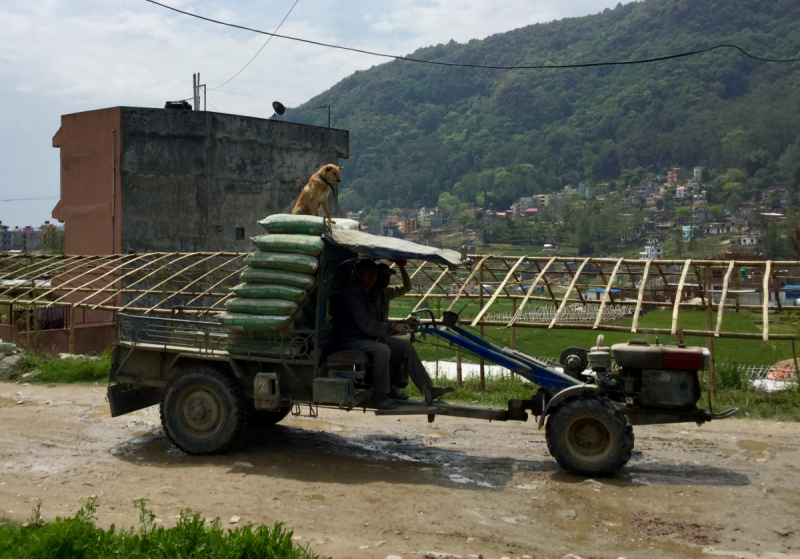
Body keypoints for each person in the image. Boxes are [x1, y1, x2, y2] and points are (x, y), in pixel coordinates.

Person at [335, 259, 453, 410]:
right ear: (359, 274)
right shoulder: (353, 294)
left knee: (404, 347)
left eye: (374, 274)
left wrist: (400, 323)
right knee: (382, 350)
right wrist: (392, 327)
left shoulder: (371, 293)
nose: (373, 277)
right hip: (351, 339)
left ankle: (428, 389)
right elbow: (367, 324)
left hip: (368, 337)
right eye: (369, 274)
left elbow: (377, 322)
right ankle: (380, 395)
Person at [374, 261, 411, 399]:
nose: (386, 280)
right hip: (371, 335)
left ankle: (394, 386)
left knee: (399, 347)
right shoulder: (369, 294)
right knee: (393, 347)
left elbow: (407, 287)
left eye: (388, 278)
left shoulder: (387, 292)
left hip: (382, 333)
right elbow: (371, 323)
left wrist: (401, 266)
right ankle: (387, 389)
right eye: (383, 277)